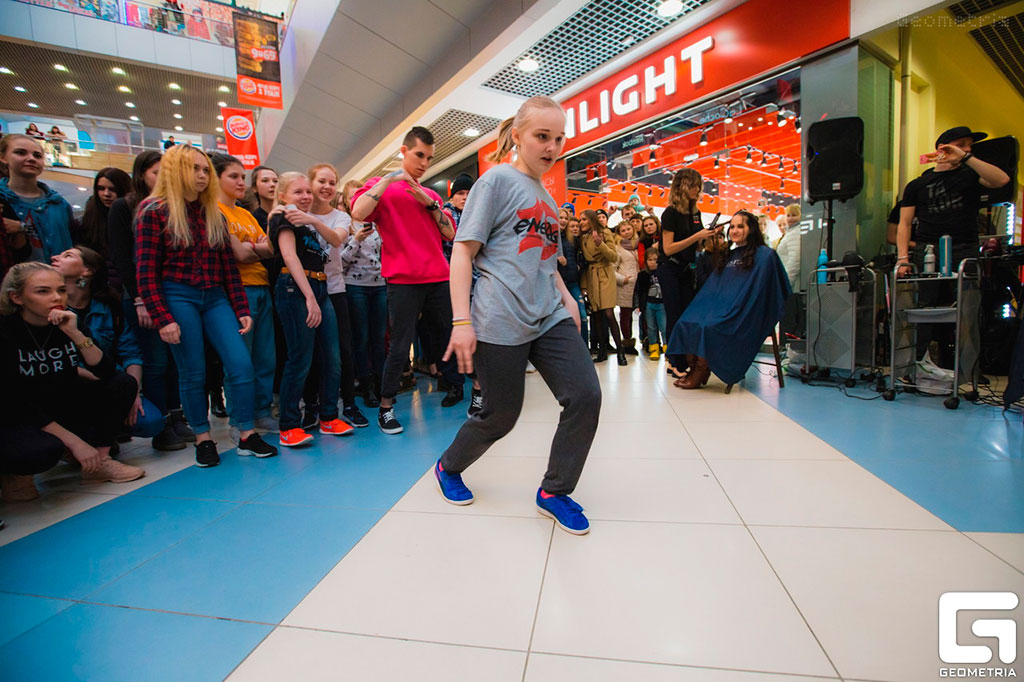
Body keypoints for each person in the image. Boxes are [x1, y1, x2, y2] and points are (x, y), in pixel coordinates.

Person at [437, 95, 600, 535]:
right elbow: (463, 252)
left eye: (559, 139)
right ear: (517, 136)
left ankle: (554, 491)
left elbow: (545, 260)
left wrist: (566, 298)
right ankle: (449, 466)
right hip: (500, 316)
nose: (552, 147)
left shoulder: (546, 196)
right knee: (500, 416)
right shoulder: (496, 181)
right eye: (542, 136)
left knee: (585, 395)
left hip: (548, 314)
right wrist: (461, 320)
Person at [135, 144, 277, 467]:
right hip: (177, 294)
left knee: (241, 364)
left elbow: (228, 267)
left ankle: (246, 433)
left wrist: (241, 308)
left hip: (215, 296)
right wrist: (162, 317)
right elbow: (146, 271)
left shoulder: (212, 212)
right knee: (193, 370)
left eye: (205, 170)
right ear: (176, 171)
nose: (201, 175)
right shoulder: (153, 210)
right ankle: (203, 438)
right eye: (194, 169)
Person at [351, 126, 463, 434]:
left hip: (438, 276)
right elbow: (358, 212)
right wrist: (389, 180)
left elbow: (450, 233)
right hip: (402, 280)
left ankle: (462, 387)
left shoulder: (431, 195)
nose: (424, 163)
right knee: (400, 344)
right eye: (419, 155)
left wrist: (432, 205)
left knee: (452, 334)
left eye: (429, 158)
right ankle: (386, 407)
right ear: (403, 151)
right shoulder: (379, 186)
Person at [0, 262, 145, 501]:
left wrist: (75, 334)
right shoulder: (6, 331)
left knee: (123, 383)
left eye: (61, 290)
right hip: (19, 416)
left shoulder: (67, 320)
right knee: (43, 451)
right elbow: (16, 402)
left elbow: (106, 371)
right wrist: (75, 442)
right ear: (17, 297)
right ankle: (13, 475)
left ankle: (99, 462)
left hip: (59, 402)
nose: (56, 298)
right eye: (43, 291)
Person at [897, 126, 1010, 367]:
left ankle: (968, 367)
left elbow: (1001, 180)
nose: (967, 148)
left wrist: (967, 158)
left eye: (970, 145)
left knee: (969, 307)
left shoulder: (970, 175)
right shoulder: (918, 185)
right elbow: (904, 224)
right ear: (943, 149)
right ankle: (916, 365)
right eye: (962, 144)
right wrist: (902, 258)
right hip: (928, 250)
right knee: (922, 307)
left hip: (964, 248)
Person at [107, 151, 192, 452]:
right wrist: (141, 298)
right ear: (142, 174)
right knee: (156, 361)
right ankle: (162, 426)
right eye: (157, 172)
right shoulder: (125, 207)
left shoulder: (179, 207)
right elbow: (123, 258)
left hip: (174, 293)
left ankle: (177, 416)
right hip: (143, 296)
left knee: (176, 361)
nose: (164, 177)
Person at [268, 172, 353, 446]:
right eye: (298, 192)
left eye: (307, 191)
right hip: (296, 288)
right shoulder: (284, 217)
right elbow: (289, 256)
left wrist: (316, 294)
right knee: (300, 358)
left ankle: (328, 417)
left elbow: (334, 242)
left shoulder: (306, 221)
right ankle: (289, 425)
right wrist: (309, 297)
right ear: (283, 196)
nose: (305, 196)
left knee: (332, 357)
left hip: (319, 286)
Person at [51, 246, 164, 442]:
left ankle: (109, 429)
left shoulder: (109, 307)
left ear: (87, 271)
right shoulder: (51, 309)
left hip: (112, 381)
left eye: (67, 255)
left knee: (151, 422)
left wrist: (132, 393)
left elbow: (131, 353)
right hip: (72, 387)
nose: (55, 257)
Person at [667, 211, 790, 389]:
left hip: (744, 311)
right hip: (722, 308)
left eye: (740, 226)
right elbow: (715, 289)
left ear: (751, 229)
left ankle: (702, 369)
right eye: (732, 227)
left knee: (708, 327)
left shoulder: (766, 255)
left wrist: (737, 307)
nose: (734, 230)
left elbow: (765, 291)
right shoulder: (730, 255)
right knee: (687, 322)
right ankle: (694, 369)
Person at [212, 153, 278, 437]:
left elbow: (271, 248)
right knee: (240, 360)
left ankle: (262, 412)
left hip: (262, 286)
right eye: (233, 176)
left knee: (266, 357)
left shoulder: (246, 214)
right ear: (217, 179)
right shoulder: (214, 212)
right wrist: (255, 247)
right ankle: (241, 418)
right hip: (237, 290)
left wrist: (253, 247)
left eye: (242, 177)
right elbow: (238, 254)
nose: (240, 182)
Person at [305, 163, 366, 428]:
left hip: (334, 290)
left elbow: (337, 240)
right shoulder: (298, 213)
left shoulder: (340, 217)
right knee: (310, 353)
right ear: (310, 183)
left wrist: (312, 221)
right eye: (322, 181)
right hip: (306, 292)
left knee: (342, 351)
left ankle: (349, 404)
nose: (327, 187)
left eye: (332, 182)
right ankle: (311, 406)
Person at [658, 168, 721, 377]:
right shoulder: (670, 213)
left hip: (686, 268)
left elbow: (697, 246)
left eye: (699, 186)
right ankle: (674, 361)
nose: (698, 190)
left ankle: (682, 359)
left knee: (686, 315)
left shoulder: (695, 213)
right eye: (694, 186)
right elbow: (668, 248)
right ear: (684, 187)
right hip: (669, 268)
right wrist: (697, 237)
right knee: (674, 314)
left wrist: (708, 236)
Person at [339, 179, 385, 409]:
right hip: (355, 287)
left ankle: (382, 387)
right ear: (347, 201)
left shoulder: (378, 223)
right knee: (362, 338)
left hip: (380, 285)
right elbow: (339, 262)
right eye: (352, 196)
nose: (357, 199)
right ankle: (365, 387)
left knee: (379, 339)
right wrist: (356, 241)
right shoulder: (343, 226)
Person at [0, 134, 75, 266]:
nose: (31, 159)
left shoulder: (59, 204)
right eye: (20, 153)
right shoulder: (2, 200)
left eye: (37, 155)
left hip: (58, 275)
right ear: (3, 158)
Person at [579, 209, 623, 365]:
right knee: (596, 315)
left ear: (592, 220)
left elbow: (613, 257)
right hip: (591, 277)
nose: (581, 222)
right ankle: (602, 351)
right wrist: (584, 285)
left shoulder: (605, 233)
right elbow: (585, 264)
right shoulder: (582, 238)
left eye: (584, 219)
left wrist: (600, 244)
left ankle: (620, 351)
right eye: (580, 220)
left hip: (605, 275)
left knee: (609, 314)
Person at [557, 215, 588, 347]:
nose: (563, 220)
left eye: (565, 218)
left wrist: (579, 266)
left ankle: (584, 348)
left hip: (572, 282)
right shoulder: (551, 239)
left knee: (582, 316)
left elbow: (582, 258)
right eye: (560, 217)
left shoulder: (573, 240)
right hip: (557, 284)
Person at [634, 246, 666, 360]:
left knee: (664, 327)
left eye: (655, 259)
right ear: (646, 261)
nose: (653, 262)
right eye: (650, 260)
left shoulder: (664, 273)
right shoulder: (642, 275)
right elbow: (638, 291)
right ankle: (654, 348)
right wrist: (638, 305)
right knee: (651, 328)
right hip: (649, 304)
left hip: (662, 304)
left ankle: (667, 348)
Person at [614, 220, 640, 355]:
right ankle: (627, 342)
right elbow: (612, 268)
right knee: (626, 315)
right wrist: (622, 279)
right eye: (623, 231)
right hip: (626, 285)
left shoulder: (638, 244)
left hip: (640, 284)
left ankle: (648, 341)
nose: (626, 232)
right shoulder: (617, 248)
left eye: (628, 229)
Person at [775, 203, 802, 291]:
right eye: (788, 215)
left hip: (792, 283)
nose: (790, 218)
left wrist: (786, 284)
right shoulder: (791, 232)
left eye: (794, 215)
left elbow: (795, 262)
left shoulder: (796, 233)